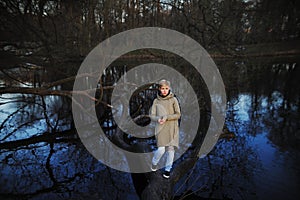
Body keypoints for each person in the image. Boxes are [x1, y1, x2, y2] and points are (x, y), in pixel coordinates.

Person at [150, 79, 181, 178]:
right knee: (161, 149)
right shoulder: (156, 100)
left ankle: (167, 170)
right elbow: (152, 116)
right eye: (162, 88)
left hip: (172, 128)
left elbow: (178, 114)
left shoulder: (173, 100)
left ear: (169, 89)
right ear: (159, 89)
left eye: (166, 88)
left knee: (171, 151)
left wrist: (167, 117)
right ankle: (154, 163)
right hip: (161, 128)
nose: (164, 90)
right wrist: (158, 119)